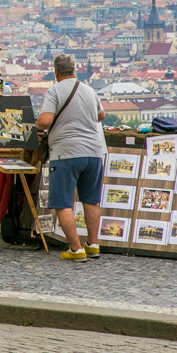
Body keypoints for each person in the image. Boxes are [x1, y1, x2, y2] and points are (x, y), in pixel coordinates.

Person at [36, 53, 107, 262]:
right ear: (74, 69)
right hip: (94, 152)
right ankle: (93, 245)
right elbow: (101, 115)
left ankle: (76, 249)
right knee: (91, 200)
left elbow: (46, 121)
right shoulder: (89, 90)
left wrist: (38, 120)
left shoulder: (54, 90)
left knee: (62, 202)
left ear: (56, 71)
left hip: (66, 153)